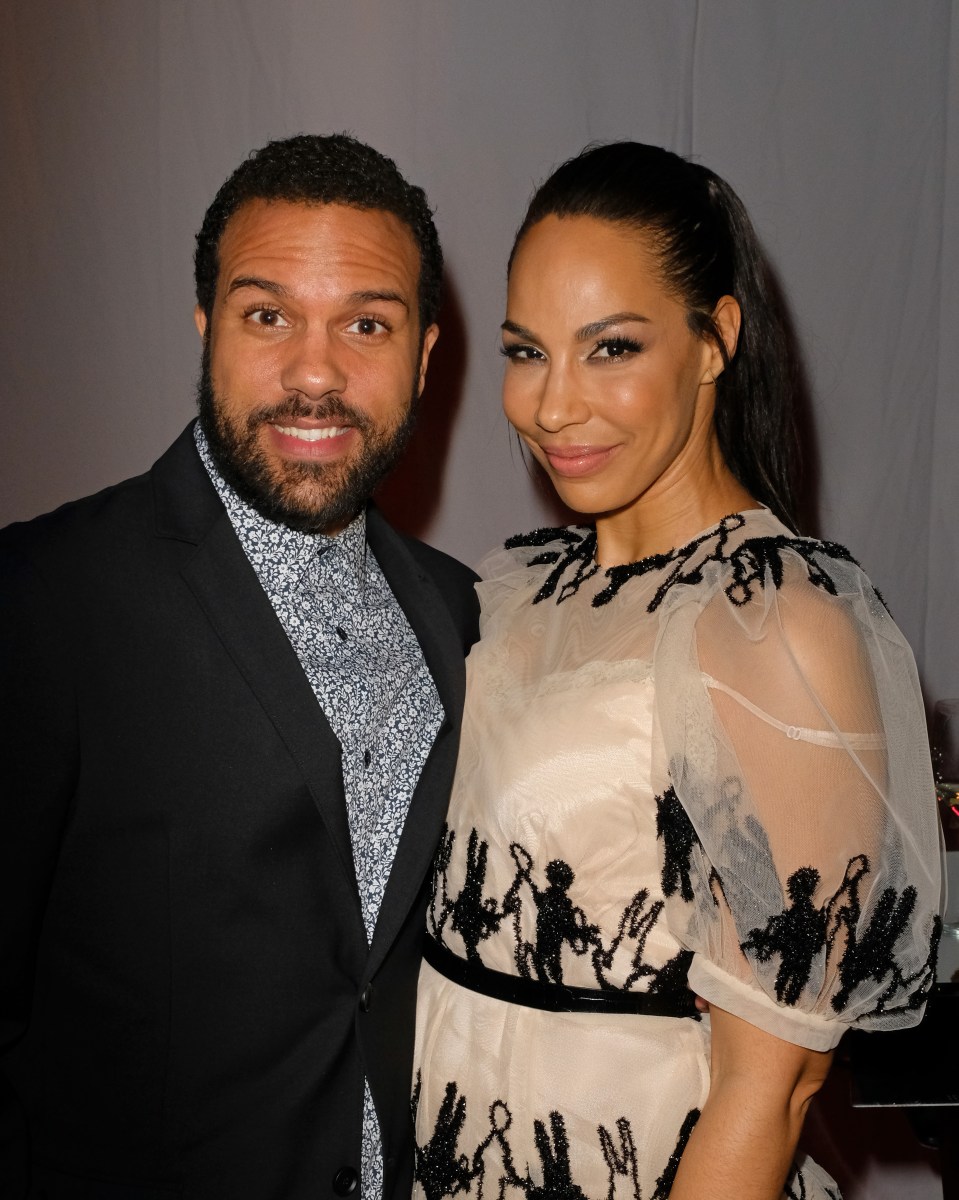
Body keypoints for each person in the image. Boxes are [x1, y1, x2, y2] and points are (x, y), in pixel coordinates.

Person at [410, 142, 942, 1200]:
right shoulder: (515, 586)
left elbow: (774, 1084)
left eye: (608, 348)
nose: (551, 406)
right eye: (527, 352)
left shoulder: (773, 621)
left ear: (715, 340)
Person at [0, 133, 479, 1200]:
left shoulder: (459, 611)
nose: (315, 374)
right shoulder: (45, 596)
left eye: (366, 323)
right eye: (268, 316)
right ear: (206, 326)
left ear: (426, 353)